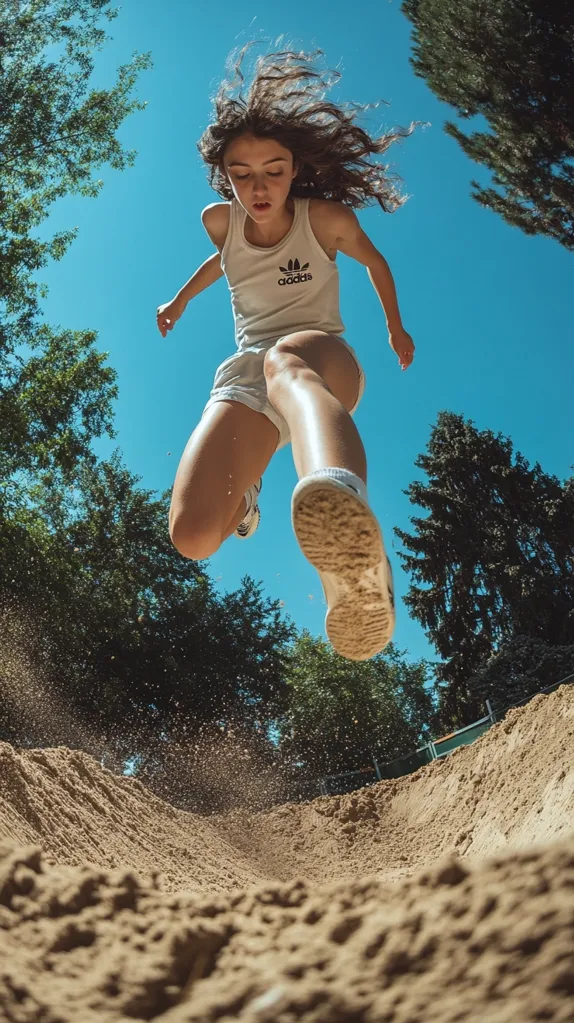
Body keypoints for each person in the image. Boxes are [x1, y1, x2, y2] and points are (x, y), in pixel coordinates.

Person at [157, 48, 416, 662]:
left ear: (294, 167)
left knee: (284, 362)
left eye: (272, 171)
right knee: (193, 536)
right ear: (226, 177)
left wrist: (394, 327)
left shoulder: (323, 219)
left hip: (319, 358)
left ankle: (352, 558)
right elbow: (218, 268)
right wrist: (178, 301)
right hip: (248, 373)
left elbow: (376, 262)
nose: (259, 187)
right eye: (242, 175)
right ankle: (247, 496)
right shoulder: (221, 225)